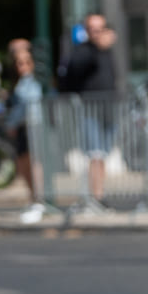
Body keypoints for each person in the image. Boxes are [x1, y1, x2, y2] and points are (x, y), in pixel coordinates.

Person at [57, 13, 118, 203]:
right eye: (92, 29)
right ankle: (96, 195)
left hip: (108, 109)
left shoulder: (107, 52)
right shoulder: (82, 51)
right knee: (95, 153)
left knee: (103, 154)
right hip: (90, 110)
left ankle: (100, 192)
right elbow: (77, 68)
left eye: (100, 29)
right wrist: (97, 48)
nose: (97, 34)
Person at [6, 48, 45, 223]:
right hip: (23, 127)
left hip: (32, 125)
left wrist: (11, 123)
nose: (22, 66)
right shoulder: (20, 82)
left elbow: (26, 106)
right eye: (18, 63)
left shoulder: (32, 82)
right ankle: (33, 198)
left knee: (34, 164)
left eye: (25, 62)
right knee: (23, 165)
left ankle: (39, 200)